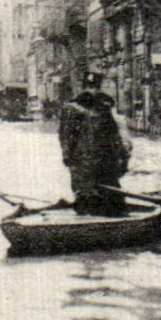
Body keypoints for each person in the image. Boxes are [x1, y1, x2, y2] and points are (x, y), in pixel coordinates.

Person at [59, 72, 130, 216]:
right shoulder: (75, 108)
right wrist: (68, 156)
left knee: (105, 194)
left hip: (100, 159)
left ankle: (101, 216)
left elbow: (117, 133)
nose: (93, 91)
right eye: (91, 87)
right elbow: (66, 136)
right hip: (89, 159)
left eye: (94, 87)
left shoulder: (104, 107)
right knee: (90, 194)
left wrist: (123, 156)